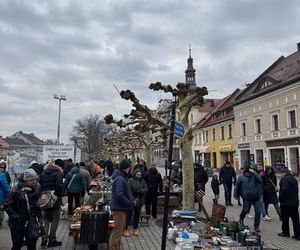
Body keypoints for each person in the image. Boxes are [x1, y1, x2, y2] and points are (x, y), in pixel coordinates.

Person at [5, 169, 42, 250]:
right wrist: (16, 217)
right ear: (26, 180)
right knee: (17, 245)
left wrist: (41, 205)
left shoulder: (37, 187)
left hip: (31, 222)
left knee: (32, 246)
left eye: (35, 179)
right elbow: (7, 205)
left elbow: (37, 202)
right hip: (17, 223)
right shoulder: (16, 189)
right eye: (32, 180)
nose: (34, 182)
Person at [110, 159, 133, 250]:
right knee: (117, 232)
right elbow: (119, 195)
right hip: (119, 209)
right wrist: (129, 202)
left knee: (118, 232)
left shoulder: (120, 177)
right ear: (127, 168)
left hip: (120, 208)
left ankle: (116, 247)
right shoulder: (120, 178)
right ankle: (114, 248)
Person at [39, 163, 64, 247]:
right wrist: (58, 195)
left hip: (45, 197)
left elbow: (40, 186)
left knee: (45, 219)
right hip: (55, 198)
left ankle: (44, 238)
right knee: (55, 219)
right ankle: (52, 239)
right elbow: (59, 187)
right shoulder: (58, 173)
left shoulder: (43, 173)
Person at [234, 166, 262, 232]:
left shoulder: (254, 176)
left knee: (258, 211)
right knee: (246, 210)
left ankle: (256, 226)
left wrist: (254, 172)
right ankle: (241, 218)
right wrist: (235, 195)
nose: (248, 174)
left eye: (250, 173)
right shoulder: (241, 177)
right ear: (245, 172)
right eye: (247, 173)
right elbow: (237, 186)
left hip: (255, 197)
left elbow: (260, 180)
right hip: (246, 197)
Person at [124, 169, 148, 237]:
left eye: (140, 175)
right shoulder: (130, 180)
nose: (139, 176)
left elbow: (146, 189)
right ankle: (125, 229)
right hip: (132, 201)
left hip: (139, 200)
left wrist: (140, 191)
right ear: (134, 174)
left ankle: (135, 228)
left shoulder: (143, 181)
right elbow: (129, 190)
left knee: (137, 215)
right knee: (129, 215)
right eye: (137, 174)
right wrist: (132, 199)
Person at [277, 167, 300, 240]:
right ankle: (298, 234)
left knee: (285, 219)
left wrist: (280, 198)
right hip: (294, 202)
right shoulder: (294, 179)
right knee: (295, 219)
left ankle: (285, 232)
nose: (281, 174)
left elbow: (284, 190)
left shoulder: (285, 179)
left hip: (286, 203)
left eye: (281, 173)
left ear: (284, 173)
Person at [0, 164, 10, 229]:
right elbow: (6, 187)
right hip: (0, 198)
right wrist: (8, 196)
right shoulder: (1, 175)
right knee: (1, 210)